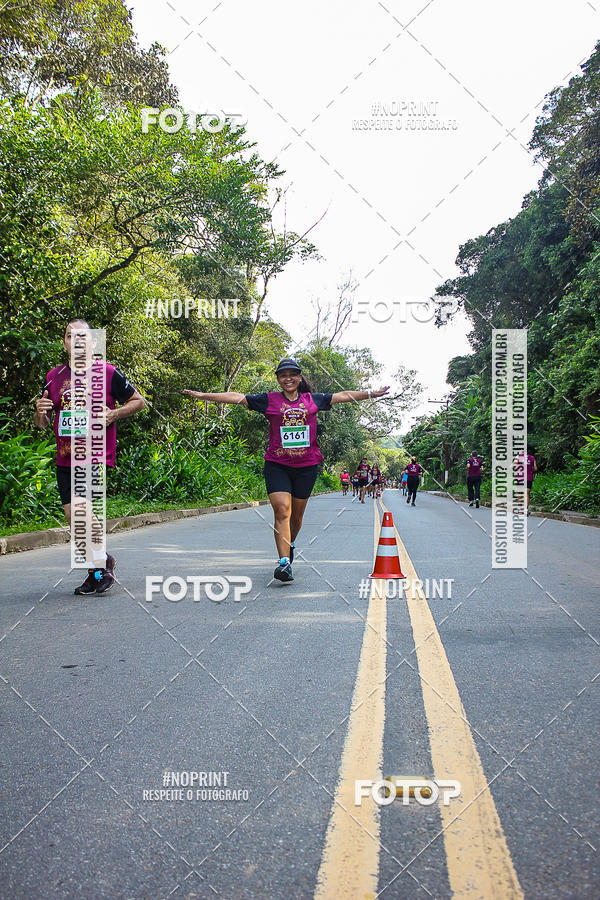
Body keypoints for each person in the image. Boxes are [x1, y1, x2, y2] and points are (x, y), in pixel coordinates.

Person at [183, 358, 389, 582]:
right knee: (282, 510)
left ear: (300, 377)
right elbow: (236, 397)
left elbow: (343, 396)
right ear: (278, 380)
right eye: (283, 375)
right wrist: (203, 396)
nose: (288, 378)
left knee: (297, 517)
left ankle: (288, 544)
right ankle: (284, 563)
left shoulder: (313, 400)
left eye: (292, 374)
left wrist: (371, 394)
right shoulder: (268, 400)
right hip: (277, 465)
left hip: (307, 467)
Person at [34, 319, 145, 594]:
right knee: (73, 517)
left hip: (95, 452)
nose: (76, 341)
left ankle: (100, 566)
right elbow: (42, 423)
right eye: (70, 336)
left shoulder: (107, 372)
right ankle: (98, 566)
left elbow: (138, 401)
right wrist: (40, 411)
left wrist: (113, 414)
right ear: (65, 343)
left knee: (81, 511)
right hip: (65, 456)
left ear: (93, 343)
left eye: (82, 336)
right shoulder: (53, 376)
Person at [514, 447, 538, 515]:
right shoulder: (532, 458)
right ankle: (525, 509)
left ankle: (519, 509)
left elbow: (515, 466)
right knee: (527, 494)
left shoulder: (518, 457)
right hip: (528, 477)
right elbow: (535, 468)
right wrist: (529, 469)